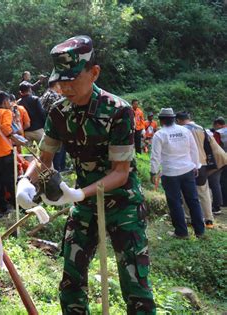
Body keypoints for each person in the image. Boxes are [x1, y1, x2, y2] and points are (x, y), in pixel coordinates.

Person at [16, 35, 155, 314]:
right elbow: (44, 160)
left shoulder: (118, 111)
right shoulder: (58, 111)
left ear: (94, 72)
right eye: (61, 81)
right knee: (71, 279)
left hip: (122, 203)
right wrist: (25, 182)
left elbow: (120, 172)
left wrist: (79, 193)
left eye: (72, 80)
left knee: (135, 285)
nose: (65, 88)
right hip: (83, 203)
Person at [150, 108, 204, 238]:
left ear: (161, 120)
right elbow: (194, 149)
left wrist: (153, 173)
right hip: (187, 170)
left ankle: (181, 232)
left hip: (170, 174)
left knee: (175, 203)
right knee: (193, 201)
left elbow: (155, 156)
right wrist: (196, 165)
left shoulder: (160, 134)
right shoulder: (185, 131)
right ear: (174, 119)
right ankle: (200, 231)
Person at [175, 111, 216, 228]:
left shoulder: (180, 130)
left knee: (186, 192)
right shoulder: (201, 128)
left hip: (187, 164)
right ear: (189, 118)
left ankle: (189, 218)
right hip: (202, 163)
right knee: (204, 192)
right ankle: (209, 220)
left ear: (178, 120)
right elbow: (208, 146)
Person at [18, 81, 46, 145]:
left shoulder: (18, 103)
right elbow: (41, 113)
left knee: (28, 153)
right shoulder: (35, 99)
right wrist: (44, 125)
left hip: (26, 131)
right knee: (44, 151)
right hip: (38, 129)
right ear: (29, 89)